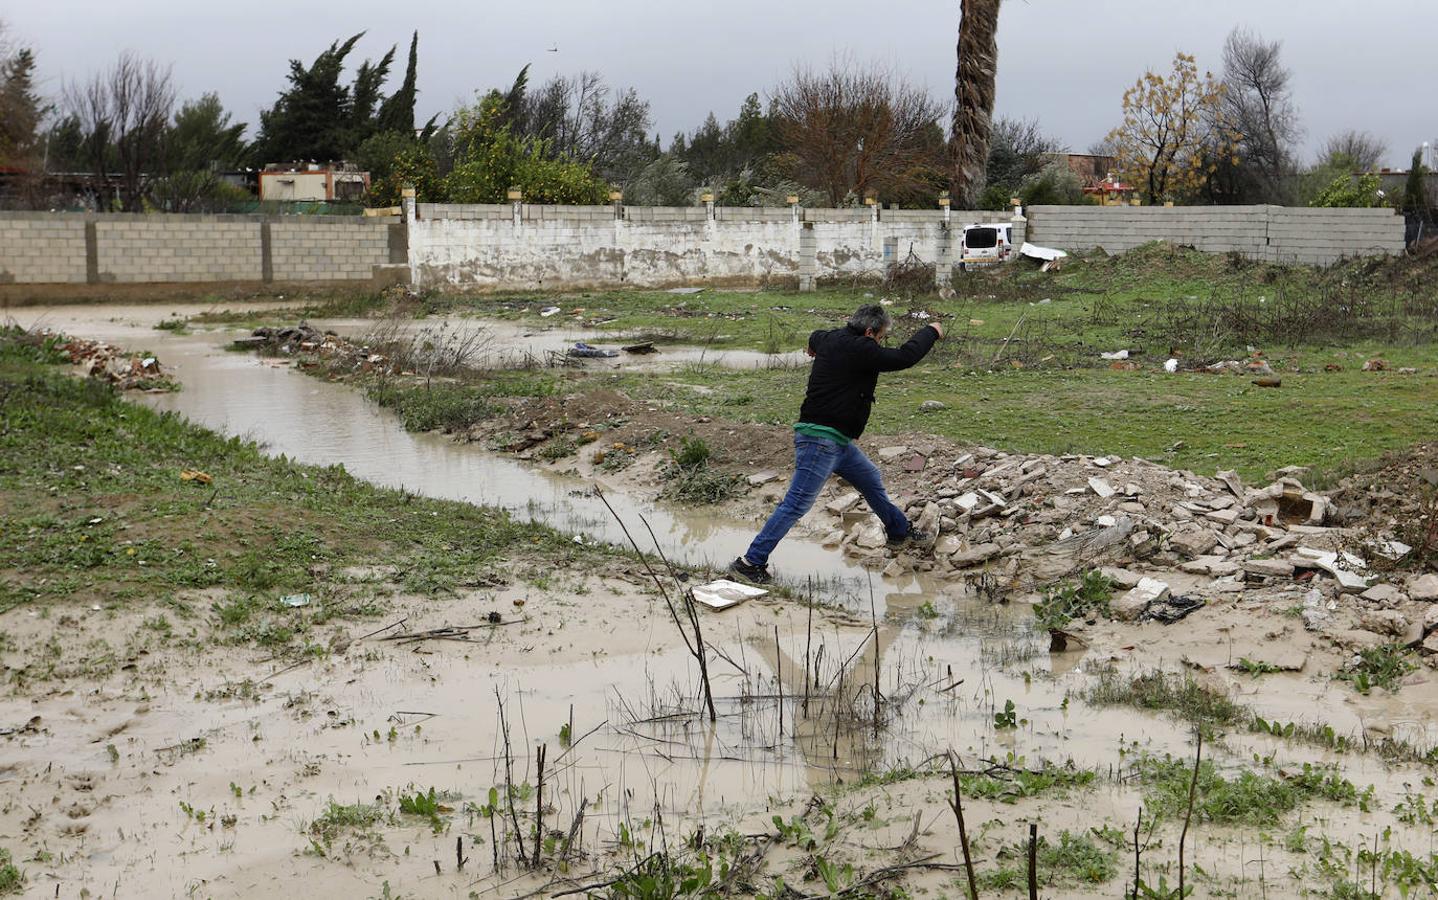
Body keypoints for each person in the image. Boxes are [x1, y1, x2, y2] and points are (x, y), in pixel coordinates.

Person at [729, 304, 943, 585]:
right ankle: (750, 562)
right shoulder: (862, 348)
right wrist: (931, 331)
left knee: (871, 479)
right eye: (880, 337)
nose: (879, 343)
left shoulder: (829, 338)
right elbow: (905, 357)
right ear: (869, 331)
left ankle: (898, 531)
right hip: (820, 440)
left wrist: (812, 345)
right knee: (796, 504)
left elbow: (816, 335)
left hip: (838, 442)